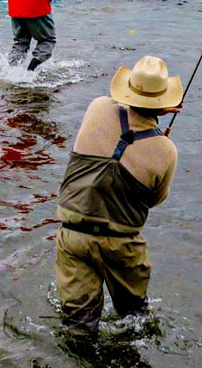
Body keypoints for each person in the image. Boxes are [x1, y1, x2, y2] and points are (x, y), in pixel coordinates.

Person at [53, 55, 182, 332]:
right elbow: (155, 200)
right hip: (122, 244)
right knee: (134, 318)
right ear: (166, 106)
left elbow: (119, 111)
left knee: (78, 325)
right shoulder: (166, 150)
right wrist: (158, 132)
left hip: (73, 235)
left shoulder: (97, 107)